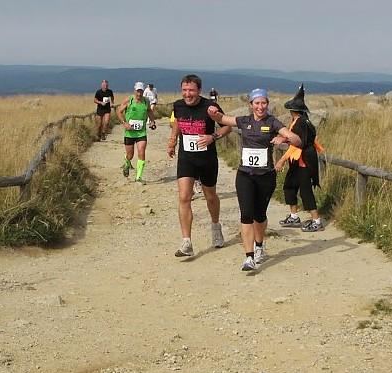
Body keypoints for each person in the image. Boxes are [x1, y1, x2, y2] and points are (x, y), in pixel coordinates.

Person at [208, 88, 301, 271]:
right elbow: (222, 119)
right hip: (245, 175)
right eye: (257, 103)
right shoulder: (244, 121)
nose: (260, 107)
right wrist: (213, 112)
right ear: (250, 105)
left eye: (263, 103)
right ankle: (249, 257)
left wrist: (284, 138)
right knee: (246, 215)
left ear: (267, 104)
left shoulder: (272, 122)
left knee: (259, 216)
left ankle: (259, 245)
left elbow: (297, 140)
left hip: (265, 176)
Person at [167, 74, 232, 257]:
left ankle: (216, 226)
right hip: (186, 158)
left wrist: (213, 137)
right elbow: (177, 122)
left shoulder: (210, 107)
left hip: (207, 159)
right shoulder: (178, 105)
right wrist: (172, 140)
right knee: (184, 197)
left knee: (210, 196)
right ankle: (186, 242)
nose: (187, 94)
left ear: (199, 91)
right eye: (184, 90)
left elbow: (227, 126)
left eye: (191, 90)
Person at [275, 84, 325, 232]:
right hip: (297, 161)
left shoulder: (301, 123)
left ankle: (316, 220)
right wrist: (284, 139)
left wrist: (282, 160)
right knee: (289, 186)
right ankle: (294, 216)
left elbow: (298, 144)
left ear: (292, 110)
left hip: (304, 161)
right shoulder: (300, 121)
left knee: (305, 190)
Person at [116, 82, 156, 183]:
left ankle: (138, 177)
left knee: (141, 152)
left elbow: (149, 111)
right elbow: (119, 112)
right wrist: (124, 123)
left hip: (141, 133)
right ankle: (127, 162)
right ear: (134, 91)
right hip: (129, 133)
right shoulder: (129, 100)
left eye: (141, 91)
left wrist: (152, 121)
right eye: (137, 91)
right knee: (130, 155)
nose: (139, 93)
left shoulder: (146, 101)